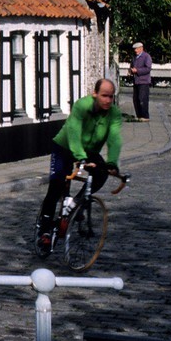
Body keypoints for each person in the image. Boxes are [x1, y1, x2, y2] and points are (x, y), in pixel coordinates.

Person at [37, 77, 123, 254]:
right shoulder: (82, 106)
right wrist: (81, 158)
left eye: (111, 97)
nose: (108, 100)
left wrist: (112, 162)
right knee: (56, 185)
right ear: (95, 94)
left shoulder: (114, 114)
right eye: (104, 96)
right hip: (65, 146)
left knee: (101, 174)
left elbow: (114, 139)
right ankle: (44, 231)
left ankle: (76, 204)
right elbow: (74, 133)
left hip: (90, 150)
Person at [129, 41, 152, 121]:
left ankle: (145, 116)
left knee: (142, 98)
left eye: (137, 49)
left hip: (144, 81)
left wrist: (137, 70)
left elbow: (148, 69)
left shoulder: (146, 56)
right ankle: (139, 115)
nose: (135, 51)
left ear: (141, 48)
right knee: (136, 99)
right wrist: (131, 71)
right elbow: (132, 66)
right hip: (136, 81)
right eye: (134, 49)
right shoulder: (134, 57)